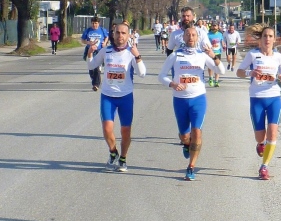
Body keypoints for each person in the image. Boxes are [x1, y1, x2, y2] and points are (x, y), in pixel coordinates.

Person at [159, 26, 224, 180]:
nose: (190, 37)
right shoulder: (175, 55)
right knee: (184, 136)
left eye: (193, 35)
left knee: (197, 132)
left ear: (197, 38)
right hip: (180, 100)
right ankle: (186, 144)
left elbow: (221, 71)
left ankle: (191, 167)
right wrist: (172, 84)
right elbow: (161, 76)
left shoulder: (202, 55)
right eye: (187, 35)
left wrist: (213, 56)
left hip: (198, 98)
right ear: (183, 38)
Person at [87, 21, 145, 172]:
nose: (120, 35)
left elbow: (142, 73)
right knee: (107, 129)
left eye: (123, 33)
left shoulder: (131, 52)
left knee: (125, 131)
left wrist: (137, 56)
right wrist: (90, 52)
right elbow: (92, 65)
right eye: (117, 32)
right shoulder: (106, 51)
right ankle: (113, 152)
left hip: (125, 96)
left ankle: (123, 158)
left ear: (128, 35)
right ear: (113, 34)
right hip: (108, 96)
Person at [236, 24, 281, 180]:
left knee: (273, 132)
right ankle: (261, 144)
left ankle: (264, 167)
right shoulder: (253, 54)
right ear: (261, 38)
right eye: (265, 36)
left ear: (275, 39)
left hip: (274, 97)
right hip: (257, 98)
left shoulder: (278, 57)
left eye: (270, 36)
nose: (267, 39)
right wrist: (250, 72)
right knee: (260, 137)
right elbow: (239, 72)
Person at [81, 16, 109, 91]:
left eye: (96, 23)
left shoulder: (102, 30)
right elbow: (83, 40)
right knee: (91, 67)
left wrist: (105, 43)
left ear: (98, 23)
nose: (94, 25)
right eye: (93, 23)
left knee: (97, 67)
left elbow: (106, 37)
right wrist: (88, 42)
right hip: (90, 50)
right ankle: (94, 81)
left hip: (99, 50)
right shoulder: (88, 30)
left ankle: (96, 85)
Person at [206, 23, 224, 87]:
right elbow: (206, 43)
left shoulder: (220, 34)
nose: (214, 27)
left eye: (215, 26)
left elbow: (222, 41)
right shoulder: (208, 35)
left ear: (218, 27)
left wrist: (224, 45)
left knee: (217, 66)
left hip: (218, 52)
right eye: (213, 26)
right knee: (210, 66)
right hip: (211, 53)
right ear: (211, 27)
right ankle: (211, 78)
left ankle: (216, 81)